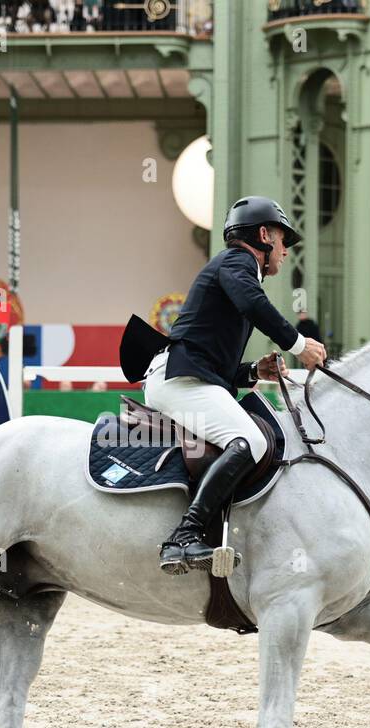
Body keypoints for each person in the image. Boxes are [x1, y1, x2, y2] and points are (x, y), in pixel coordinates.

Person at [142, 195, 326, 574]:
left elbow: (215, 362)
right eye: (282, 241)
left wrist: (254, 372)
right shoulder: (237, 262)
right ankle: (185, 534)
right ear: (263, 235)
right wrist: (298, 344)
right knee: (252, 441)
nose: (285, 252)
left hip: (193, 376)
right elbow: (254, 306)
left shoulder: (233, 270)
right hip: (179, 381)